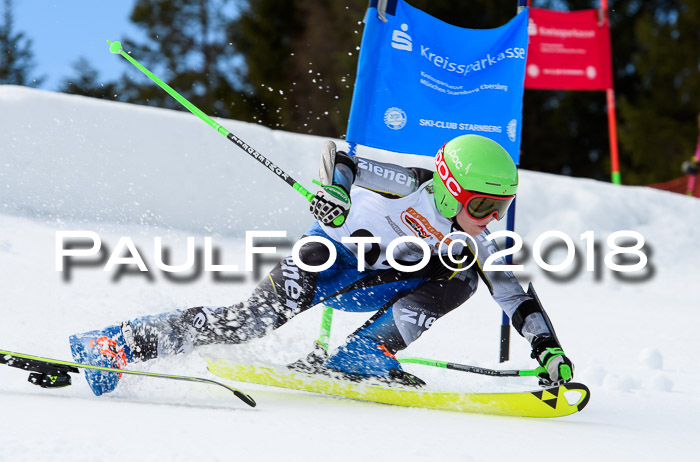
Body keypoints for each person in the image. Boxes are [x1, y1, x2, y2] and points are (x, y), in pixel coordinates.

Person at [70, 134, 574, 396]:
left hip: (378, 283)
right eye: (484, 205)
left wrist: (548, 350)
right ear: (449, 189)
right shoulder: (412, 180)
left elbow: (516, 297)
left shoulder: (479, 238)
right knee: (245, 323)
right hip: (326, 262)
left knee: (462, 276)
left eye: (502, 206)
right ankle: (114, 344)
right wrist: (334, 192)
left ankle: (361, 356)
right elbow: (342, 159)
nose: (492, 219)